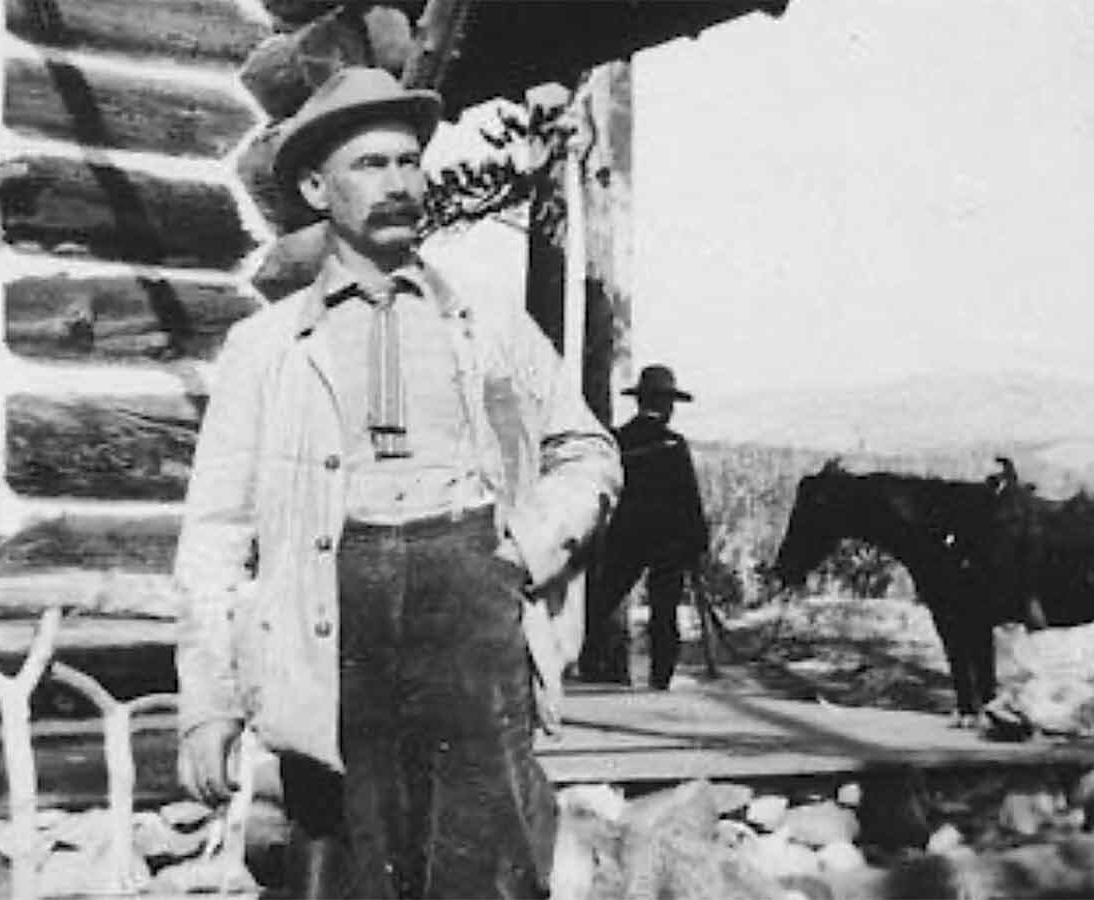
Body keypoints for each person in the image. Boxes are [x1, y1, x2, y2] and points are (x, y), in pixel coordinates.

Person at [171, 67, 621, 899]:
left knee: (490, 862)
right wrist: (208, 700)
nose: (400, 184)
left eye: (410, 161)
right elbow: (216, 532)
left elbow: (586, 448)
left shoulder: (485, 322)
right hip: (333, 625)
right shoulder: (266, 349)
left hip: (471, 615)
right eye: (371, 164)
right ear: (317, 186)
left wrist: (524, 549)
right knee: (342, 865)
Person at [578, 364, 709, 690]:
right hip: (669, 544)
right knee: (664, 615)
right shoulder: (674, 444)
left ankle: (587, 666)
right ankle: (659, 681)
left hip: (625, 537)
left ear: (640, 401)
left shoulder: (618, 441)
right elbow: (689, 501)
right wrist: (697, 544)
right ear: (666, 405)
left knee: (600, 603)